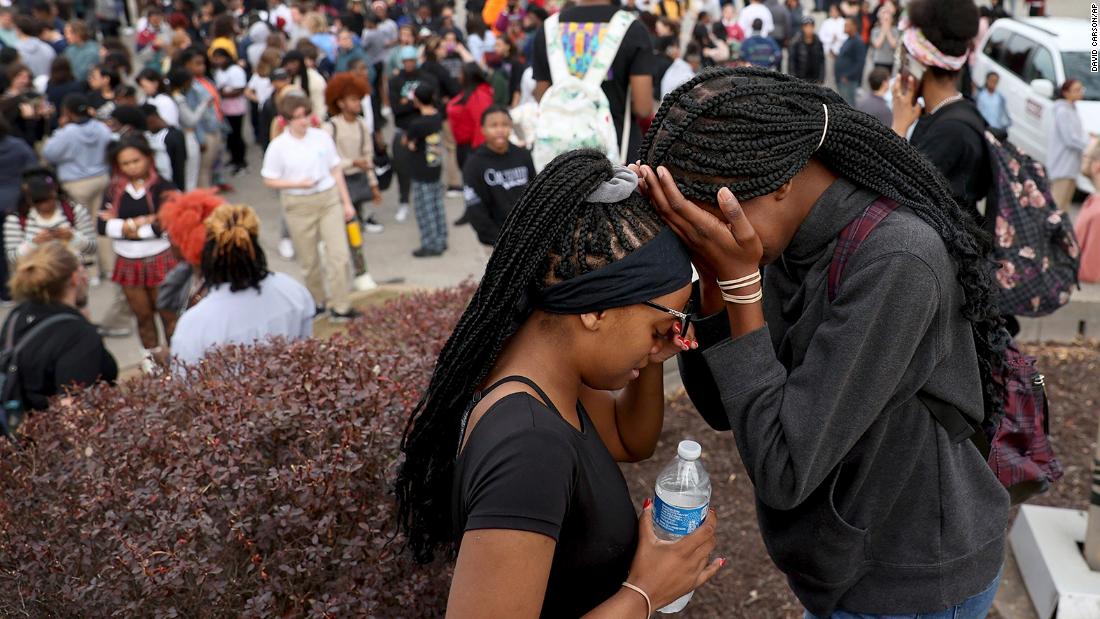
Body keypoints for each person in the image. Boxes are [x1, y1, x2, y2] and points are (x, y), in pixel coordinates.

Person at [638, 65, 1008, 619]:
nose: (710, 236)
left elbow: (783, 468)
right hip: (845, 568)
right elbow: (724, 408)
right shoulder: (785, 232)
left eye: (709, 213)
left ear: (782, 178)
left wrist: (742, 290)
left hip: (908, 584)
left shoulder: (897, 261)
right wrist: (715, 284)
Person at [396, 149, 721, 617]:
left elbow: (631, 440)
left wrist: (652, 348)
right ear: (594, 311)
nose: (663, 343)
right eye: (658, 329)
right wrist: (645, 593)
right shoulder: (529, 446)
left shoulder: (542, 372)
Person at [170, 204, 315, 366]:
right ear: (255, 246)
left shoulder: (194, 324)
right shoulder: (293, 291)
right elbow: (307, 356)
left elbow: (184, 383)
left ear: (208, 253)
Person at [261, 92, 362, 322]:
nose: (304, 120)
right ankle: (318, 302)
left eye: (306, 115)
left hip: (327, 199)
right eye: (298, 117)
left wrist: (346, 203)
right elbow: (269, 178)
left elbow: (335, 169)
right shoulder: (278, 146)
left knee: (339, 255)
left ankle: (341, 306)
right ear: (287, 120)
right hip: (298, 204)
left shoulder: (321, 137)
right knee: (309, 260)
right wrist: (296, 183)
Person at [891, 0, 989, 220]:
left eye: (904, 59)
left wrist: (898, 126)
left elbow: (897, 201)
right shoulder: (951, 114)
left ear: (917, 63)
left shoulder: (952, 133)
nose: (900, 68)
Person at [531, 0, 656, 163]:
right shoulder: (633, 28)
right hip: (615, 151)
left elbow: (542, 96)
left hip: (560, 156)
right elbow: (643, 107)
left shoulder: (549, 28)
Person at [2, 241, 117, 412]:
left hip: (18, 427)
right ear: (75, 278)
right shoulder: (79, 336)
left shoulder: (18, 315)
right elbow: (72, 414)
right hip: (51, 435)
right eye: (82, 267)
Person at [100, 135, 180, 370]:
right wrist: (141, 224)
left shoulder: (163, 187)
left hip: (160, 258)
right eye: (125, 163)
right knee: (142, 315)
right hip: (128, 260)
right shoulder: (114, 190)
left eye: (136, 160)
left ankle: (177, 359)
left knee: (168, 314)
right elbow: (102, 226)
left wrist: (125, 225)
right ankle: (151, 361)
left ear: (149, 158)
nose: (132, 167)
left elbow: (165, 224)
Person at [42, 94, 113, 254]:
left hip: (76, 184)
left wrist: (60, 129)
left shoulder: (67, 132)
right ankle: (109, 267)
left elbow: (49, 153)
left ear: (68, 112)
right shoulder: (101, 127)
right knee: (102, 223)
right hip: (101, 179)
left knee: (83, 228)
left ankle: (92, 272)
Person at [323, 72, 385, 244]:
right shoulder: (330, 127)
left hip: (358, 180)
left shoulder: (361, 124)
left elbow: (367, 156)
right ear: (340, 102)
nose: (358, 103)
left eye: (359, 99)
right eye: (353, 99)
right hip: (338, 182)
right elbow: (328, 160)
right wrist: (352, 163)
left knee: (355, 229)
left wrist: (373, 185)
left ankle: (358, 266)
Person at [461, 105, 534, 248]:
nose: (500, 130)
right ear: (482, 129)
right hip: (495, 241)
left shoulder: (523, 155)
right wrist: (500, 241)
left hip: (528, 236)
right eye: (493, 125)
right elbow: (475, 209)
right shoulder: (474, 163)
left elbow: (536, 193)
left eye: (505, 124)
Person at [5, 167, 97, 268]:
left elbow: (92, 248)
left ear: (55, 191)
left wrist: (72, 237)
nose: (44, 205)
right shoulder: (15, 220)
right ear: (28, 199)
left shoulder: (75, 211)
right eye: (38, 201)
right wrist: (34, 243)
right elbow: (12, 259)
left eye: (47, 199)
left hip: (71, 274)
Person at [390, 45, 441, 223]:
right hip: (405, 129)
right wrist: (414, 104)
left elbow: (434, 102)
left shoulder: (427, 78)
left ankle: (434, 201)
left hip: (427, 132)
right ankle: (404, 201)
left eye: (412, 60)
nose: (409, 64)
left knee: (431, 166)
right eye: (406, 61)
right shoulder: (395, 81)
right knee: (402, 168)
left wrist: (409, 102)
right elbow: (396, 108)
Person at [403, 82, 447, 258]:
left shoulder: (417, 124)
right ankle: (441, 238)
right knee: (437, 206)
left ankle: (430, 244)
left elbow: (408, 142)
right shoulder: (437, 117)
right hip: (435, 167)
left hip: (421, 170)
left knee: (424, 208)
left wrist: (411, 142)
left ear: (417, 100)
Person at [1048, 79, 1089, 211]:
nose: (1080, 92)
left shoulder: (1072, 109)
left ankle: (1059, 231)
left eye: (1081, 89)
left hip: (1071, 165)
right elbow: (1070, 139)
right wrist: (1088, 146)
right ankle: (1051, 231)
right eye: (1076, 90)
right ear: (1066, 93)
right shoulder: (1063, 112)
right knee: (1057, 205)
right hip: (1062, 166)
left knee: (1064, 206)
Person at [446, 63, 494, 173]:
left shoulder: (479, 95)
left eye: (461, 73)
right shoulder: (468, 93)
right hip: (464, 146)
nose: (459, 76)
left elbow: (481, 123)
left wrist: (478, 152)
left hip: (473, 147)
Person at [211, 48, 248, 176]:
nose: (218, 61)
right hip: (224, 109)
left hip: (236, 108)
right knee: (230, 136)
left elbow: (240, 89)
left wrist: (221, 93)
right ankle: (233, 159)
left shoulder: (236, 70)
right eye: (215, 58)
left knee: (237, 136)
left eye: (220, 57)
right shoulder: (219, 71)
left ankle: (241, 162)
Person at [141, 104, 188, 188]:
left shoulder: (171, 136)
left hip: (171, 185)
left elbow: (178, 168)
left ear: (152, 118)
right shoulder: (150, 134)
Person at [833, 18, 866, 104]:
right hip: (842, 79)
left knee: (849, 105)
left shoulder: (858, 41)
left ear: (854, 26)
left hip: (848, 81)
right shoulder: (849, 40)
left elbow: (860, 62)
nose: (844, 27)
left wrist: (849, 76)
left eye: (847, 25)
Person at [788, 15, 825, 84]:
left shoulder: (818, 42)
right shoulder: (795, 42)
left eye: (811, 26)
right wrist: (793, 79)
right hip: (800, 78)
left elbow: (821, 61)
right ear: (802, 27)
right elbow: (791, 62)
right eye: (806, 26)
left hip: (814, 78)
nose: (809, 29)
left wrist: (821, 77)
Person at [975, 72, 1011, 138]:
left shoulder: (1000, 98)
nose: (993, 83)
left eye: (995, 81)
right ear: (987, 80)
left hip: (994, 130)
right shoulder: (979, 94)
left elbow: (1005, 117)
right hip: (981, 126)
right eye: (991, 80)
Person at [868, 5, 898, 72]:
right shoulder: (875, 30)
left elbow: (894, 45)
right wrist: (883, 30)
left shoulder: (895, 31)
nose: (886, 21)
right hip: (878, 60)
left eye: (887, 19)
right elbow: (877, 44)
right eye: (884, 19)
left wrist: (888, 31)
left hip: (890, 61)